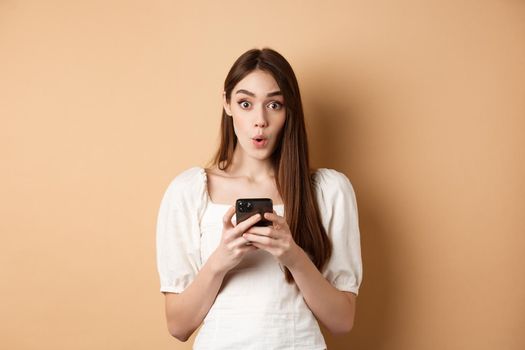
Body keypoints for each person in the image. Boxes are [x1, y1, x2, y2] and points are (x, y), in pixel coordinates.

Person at [156, 47, 363, 349]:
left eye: (274, 105)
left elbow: (342, 320)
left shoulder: (328, 191)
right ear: (226, 104)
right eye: (245, 103)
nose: (260, 120)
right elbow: (178, 325)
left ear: (289, 110)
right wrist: (220, 261)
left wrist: (292, 255)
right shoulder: (188, 191)